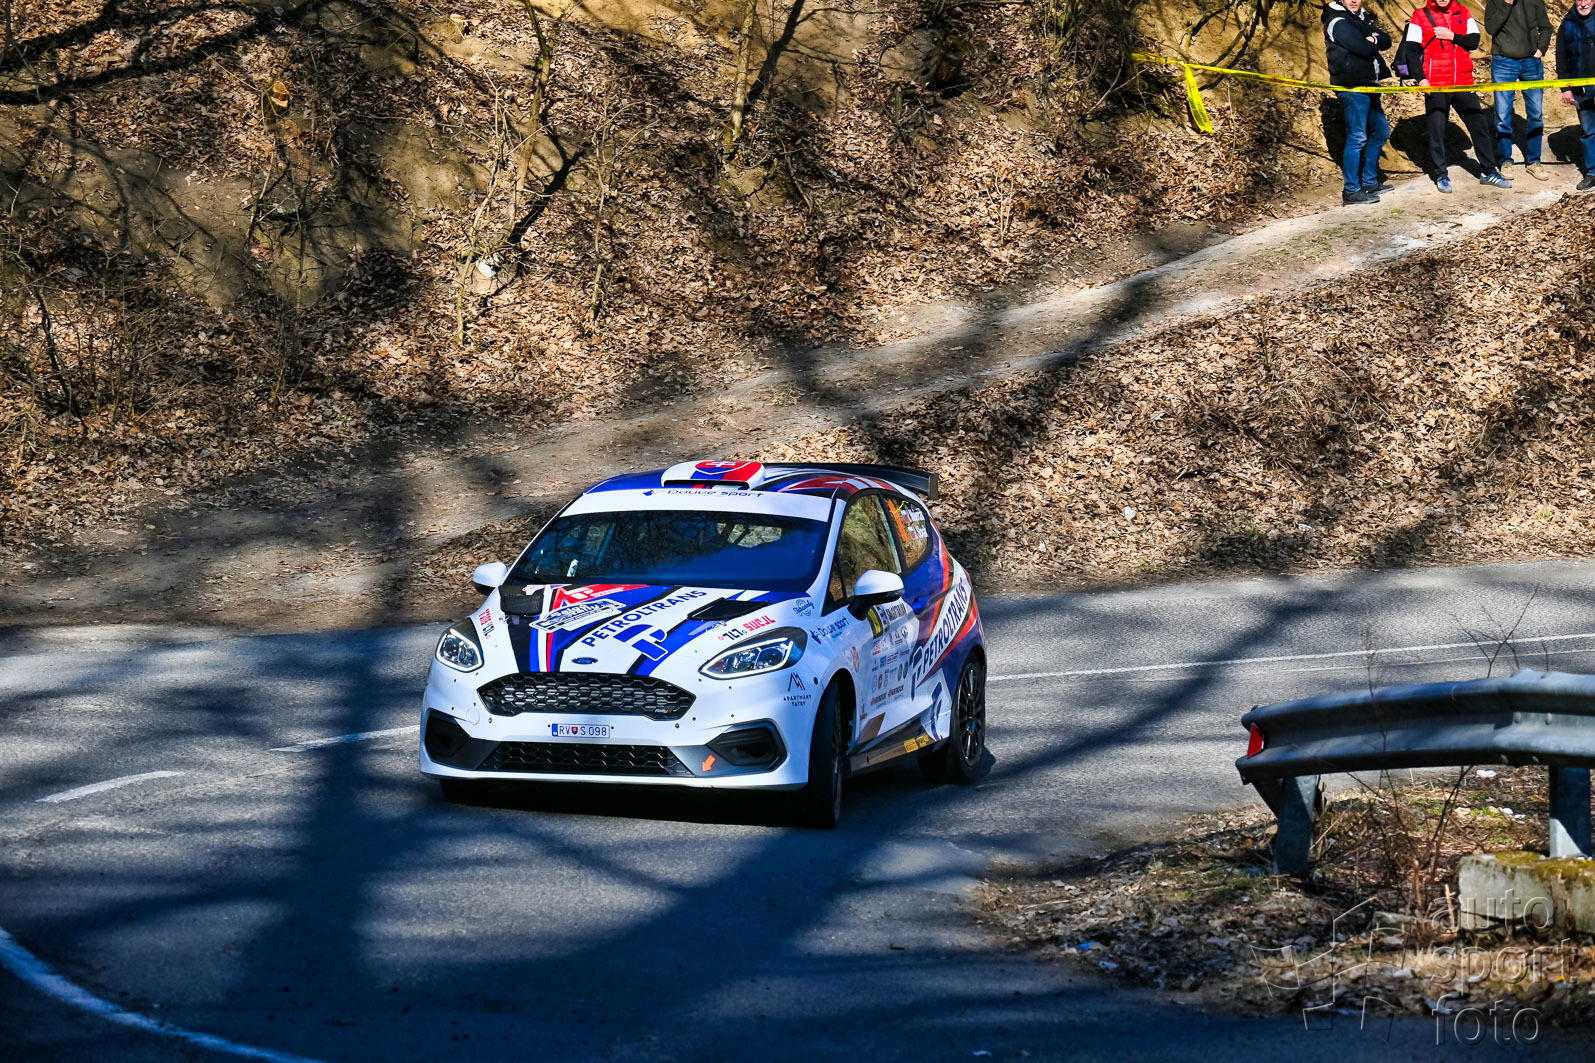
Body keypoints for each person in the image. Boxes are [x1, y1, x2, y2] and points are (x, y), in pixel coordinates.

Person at [1399, 0, 1512, 191]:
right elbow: (1411, 51)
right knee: (1436, 131)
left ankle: (1488, 171)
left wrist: (1451, 36)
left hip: (1463, 82)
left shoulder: (1463, 12)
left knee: (1479, 127)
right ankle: (1441, 175)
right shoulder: (1420, 16)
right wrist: (1421, 79)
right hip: (1436, 84)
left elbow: (1473, 41)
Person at [1323, 0, 1394, 204]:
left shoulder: (1362, 19)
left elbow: (1387, 40)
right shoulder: (1337, 21)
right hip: (1352, 87)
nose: (1354, 0)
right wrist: (1371, 40)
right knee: (1357, 137)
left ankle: (1369, 182)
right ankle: (1351, 190)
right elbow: (1363, 48)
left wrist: (1372, 38)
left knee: (1380, 132)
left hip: (1369, 83)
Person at [1485, 0, 1553, 178]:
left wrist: (1540, 51)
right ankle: (1505, 162)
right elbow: (1491, 28)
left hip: (1531, 62)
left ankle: (1534, 162)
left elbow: (1546, 27)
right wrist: (1506, 4)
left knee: (1535, 114)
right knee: (1502, 115)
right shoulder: (1495, 1)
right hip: (1503, 62)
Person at [1557, 0, 1595, 190]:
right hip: (1580, 87)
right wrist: (1565, 87)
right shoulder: (1568, 23)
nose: (1583, 3)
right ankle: (1592, 172)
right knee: (1588, 130)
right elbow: (1561, 57)